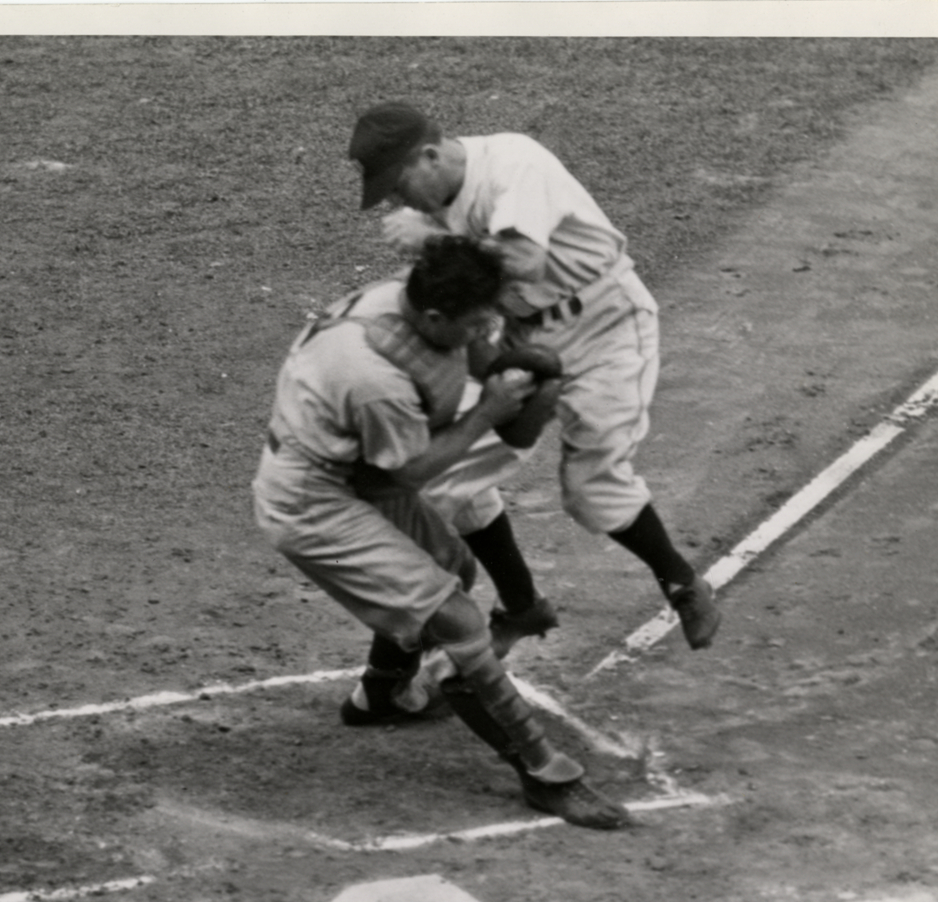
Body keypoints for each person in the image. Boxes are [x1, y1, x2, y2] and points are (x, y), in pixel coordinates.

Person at [344, 102, 720, 711]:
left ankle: (681, 582)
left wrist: (437, 239)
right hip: (521, 339)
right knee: (437, 484)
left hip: (606, 326)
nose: (397, 203)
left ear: (430, 156)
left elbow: (524, 260)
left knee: (591, 487)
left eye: (399, 183)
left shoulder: (514, 165)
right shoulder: (432, 203)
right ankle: (516, 609)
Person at [253, 235, 629, 830]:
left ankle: (381, 693)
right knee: (458, 621)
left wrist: (523, 370)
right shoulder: (371, 377)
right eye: (478, 321)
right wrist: (490, 413)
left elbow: (469, 363)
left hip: (358, 476)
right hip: (313, 500)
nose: (490, 328)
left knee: (456, 569)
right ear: (432, 316)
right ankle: (545, 772)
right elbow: (411, 472)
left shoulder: (413, 309)